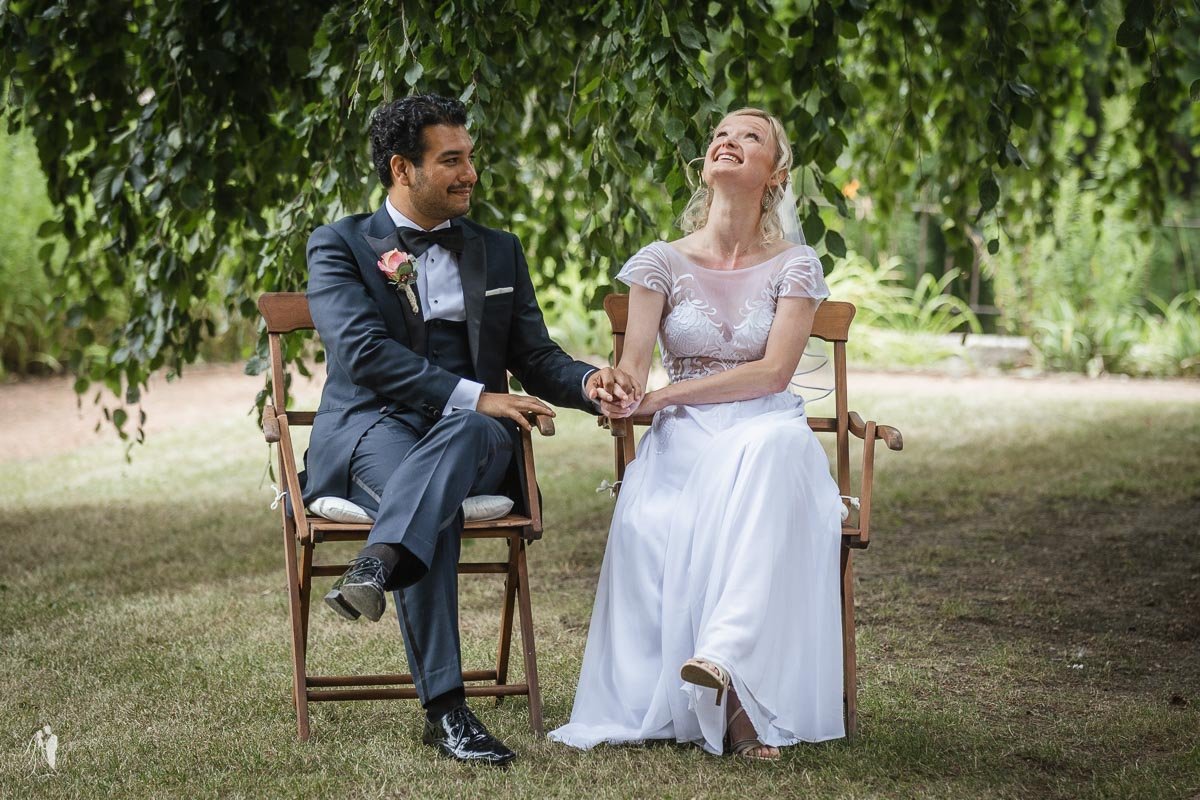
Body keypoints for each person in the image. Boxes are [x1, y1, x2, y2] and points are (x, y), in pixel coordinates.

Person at [304, 93, 636, 767]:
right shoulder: (339, 245)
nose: (470, 174)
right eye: (451, 160)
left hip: (476, 437)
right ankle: (448, 710)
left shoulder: (499, 251)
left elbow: (535, 358)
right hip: (375, 427)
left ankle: (379, 568)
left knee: (456, 446)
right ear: (403, 168)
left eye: (471, 158)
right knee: (430, 489)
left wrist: (585, 384)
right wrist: (476, 396)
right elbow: (363, 353)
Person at [548, 108, 845, 759]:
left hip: (762, 428)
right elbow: (633, 367)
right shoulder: (661, 262)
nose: (727, 142)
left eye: (749, 136)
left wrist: (666, 394)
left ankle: (722, 656)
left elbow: (772, 375)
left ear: (776, 174)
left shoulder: (795, 265)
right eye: (719, 134)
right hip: (684, 444)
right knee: (754, 465)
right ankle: (728, 688)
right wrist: (622, 388)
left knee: (777, 445)